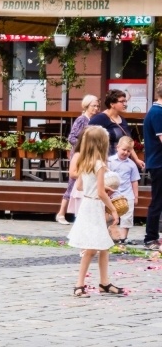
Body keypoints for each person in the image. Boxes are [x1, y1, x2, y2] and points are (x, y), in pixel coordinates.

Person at [67, 127, 123, 297]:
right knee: (92, 248)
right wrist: (114, 210)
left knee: (103, 245)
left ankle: (104, 282)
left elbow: (80, 186)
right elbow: (100, 193)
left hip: (87, 205)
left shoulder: (86, 162)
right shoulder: (99, 164)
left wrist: (99, 186)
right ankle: (79, 284)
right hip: (95, 206)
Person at [56, 95, 100, 224]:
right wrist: (84, 146)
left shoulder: (96, 120)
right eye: (94, 106)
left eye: (98, 106)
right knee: (73, 183)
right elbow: (72, 137)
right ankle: (61, 213)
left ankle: (81, 214)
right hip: (79, 155)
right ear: (87, 106)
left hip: (91, 155)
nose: (96, 108)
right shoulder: (82, 119)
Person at [89, 90, 144, 169]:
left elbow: (128, 143)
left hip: (123, 163)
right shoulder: (99, 119)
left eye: (125, 101)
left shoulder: (123, 120)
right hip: (106, 163)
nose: (125, 104)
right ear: (112, 104)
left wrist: (136, 159)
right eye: (121, 101)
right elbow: (88, 141)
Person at [108, 136, 140, 251]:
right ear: (117, 147)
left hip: (127, 195)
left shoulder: (131, 164)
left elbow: (134, 180)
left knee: (127, 216)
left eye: (129, 151)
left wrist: (136, 196)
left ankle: (123, 237)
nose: (126, 152)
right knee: (111, 216)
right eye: (124, 149)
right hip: (113, 193)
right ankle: (111, 236)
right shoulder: (110, 161)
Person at [143, 83, 162, 251]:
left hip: (157, 162)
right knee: (157, 201)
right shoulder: (157, 113)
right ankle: (151, 237)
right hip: (159, 163)